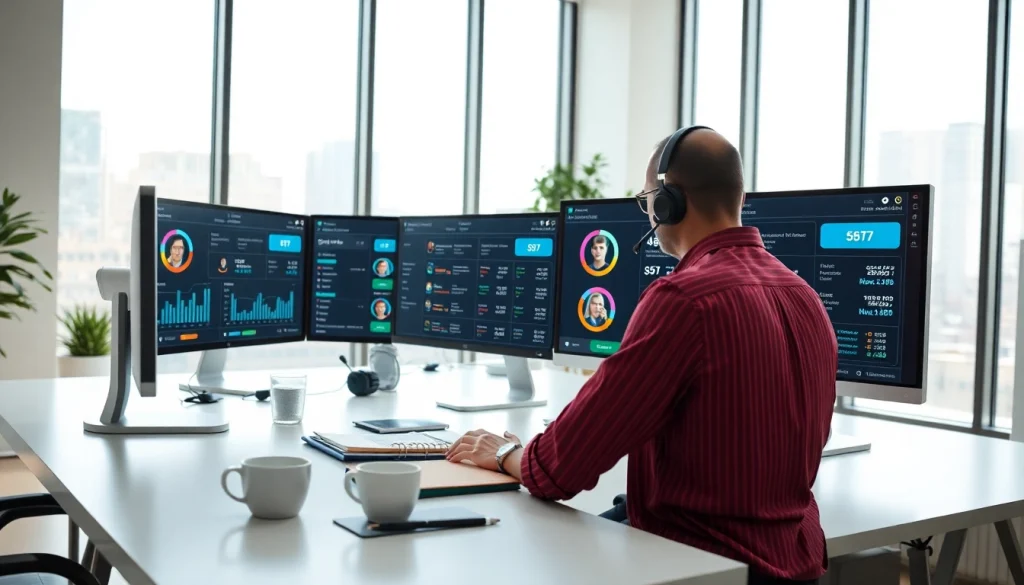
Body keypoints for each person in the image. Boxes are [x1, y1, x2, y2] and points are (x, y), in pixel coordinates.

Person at [445, 128, 837, 585]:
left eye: (648, 198)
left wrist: (507, 451)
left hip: (699, 562)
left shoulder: (682, 299)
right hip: (794, 559)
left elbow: (559, 469)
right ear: (740, 196)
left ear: (668, 202)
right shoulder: (806, 297)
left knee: (513, 551)